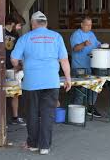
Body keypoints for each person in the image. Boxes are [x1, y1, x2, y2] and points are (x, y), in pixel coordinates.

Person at [11, 11, 72, 155]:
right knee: (47, 114)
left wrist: (19, 67)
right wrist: (68, 78)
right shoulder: (57, 37)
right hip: (51, 81)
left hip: (31, 83)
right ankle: (45, 147)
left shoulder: (25, 38)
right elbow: (64, 60)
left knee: (32, 114)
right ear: (46, 24)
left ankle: (33, 144)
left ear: (33, 24)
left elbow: (14, 59)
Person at [70, 16, 102, 117]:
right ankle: (75, 113)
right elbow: (75, 48)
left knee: (95, 87)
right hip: (79, 67)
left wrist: (102, 46)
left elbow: (97, 45)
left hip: (91, 66)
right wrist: (83, 44)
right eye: (87, 25)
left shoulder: (91, 34)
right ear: (82, 24)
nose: (89, 27)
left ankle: (91, 107)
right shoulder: (76, 34)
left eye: (90, 25)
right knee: (81, 90)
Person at [4, 15, 26, 126]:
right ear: (12, 23)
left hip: (12, 68)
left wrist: (19, 65)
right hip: (1, 67)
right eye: (19, 25)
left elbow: (19, 52)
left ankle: (15, 117)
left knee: (15, 92)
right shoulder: (0, 31)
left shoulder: (16, 35)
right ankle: (1, 118)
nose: (19, 28)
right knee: (1, 93)